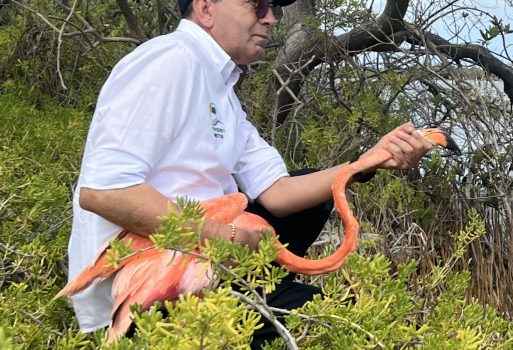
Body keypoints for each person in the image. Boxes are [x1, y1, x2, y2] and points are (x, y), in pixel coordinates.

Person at [65, 0, 433, 346]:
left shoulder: (220, 87)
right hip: (140, 297)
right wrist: (228, 238)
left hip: (199, 260)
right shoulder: (170, 60)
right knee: (329, 316)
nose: (270, 17)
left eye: (272, 7)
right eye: (256, 4)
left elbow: (277, 191)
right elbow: (104, 192)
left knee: (313, 206)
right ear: (206, 7)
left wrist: (366, 162)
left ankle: (263, 295)